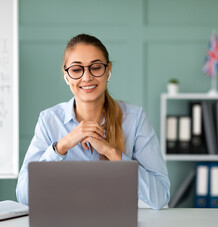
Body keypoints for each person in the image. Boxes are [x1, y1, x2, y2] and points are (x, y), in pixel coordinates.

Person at [16, 33, 170, 210]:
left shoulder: (135, 119)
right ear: (66, 75)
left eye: (96, 67)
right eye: (76, 69)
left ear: (108, 70)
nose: (87, 77)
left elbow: (161, 197)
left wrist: (112, 153)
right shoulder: (49, 120)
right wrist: (61, 147)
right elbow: (23, 196)